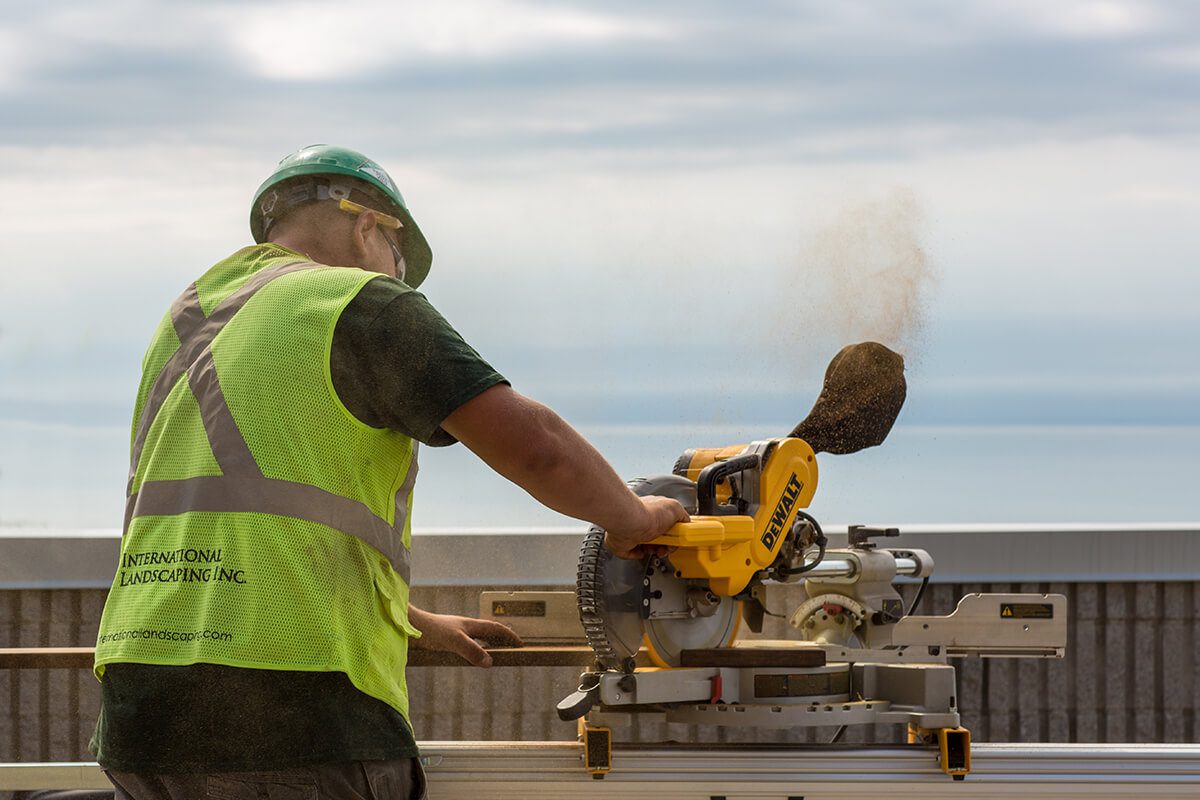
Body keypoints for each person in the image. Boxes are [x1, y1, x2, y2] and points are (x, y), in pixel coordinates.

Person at [91, 144, 689, 800]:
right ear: (369, 226)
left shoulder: (187, 321)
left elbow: (245, 513)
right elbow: (535, 447)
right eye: (401, 266)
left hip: (142, 706)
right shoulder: (359, 305)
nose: (401, 283)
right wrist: (634, 517)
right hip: (293, 707)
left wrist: (407, 619)